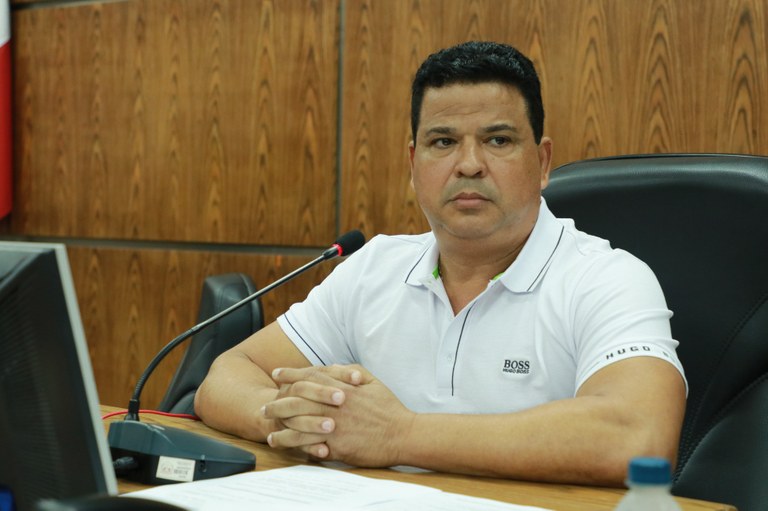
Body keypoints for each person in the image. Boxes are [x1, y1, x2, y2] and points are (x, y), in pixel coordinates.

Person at [195, 41, 687, 486]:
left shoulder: (606, 278)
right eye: (443, 142)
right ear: (413, 166)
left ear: (541, 163)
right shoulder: (375, 268)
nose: (469, 164)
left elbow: (639, 439)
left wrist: (399, 434)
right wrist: (297, 420)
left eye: (498, 140)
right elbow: (228, 374)